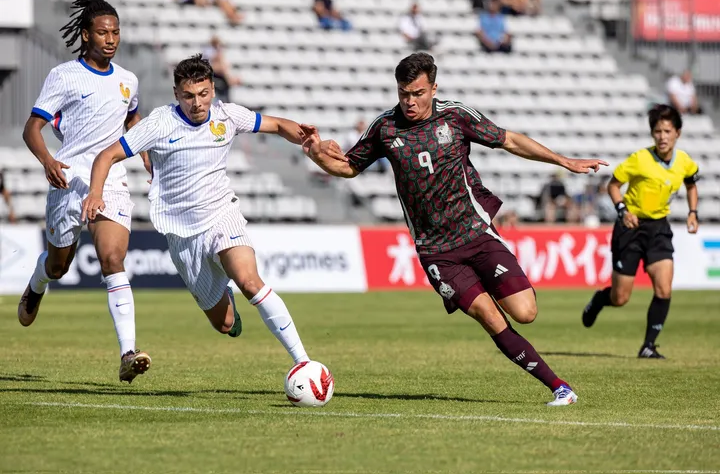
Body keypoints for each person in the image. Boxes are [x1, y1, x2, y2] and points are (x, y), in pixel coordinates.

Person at [303, 53, 608, 406]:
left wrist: (564, 161)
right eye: (404, 94)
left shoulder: (456, 116)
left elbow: (509, 140)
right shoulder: (385, 128)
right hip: (437, 251)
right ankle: (560, 387)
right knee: (488, 315)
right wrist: (315, 153)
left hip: (476, 233)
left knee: (525, 312)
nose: (410, 101)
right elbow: (348, 167)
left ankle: (494, 296)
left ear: (434, 87)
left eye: (418, 93)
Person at [81, 55, 344, 366]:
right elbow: (107, 155)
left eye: (203, 94)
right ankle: (226, 303)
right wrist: (95, 193)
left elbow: (276, 124)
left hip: (222, 215)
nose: (197, 103)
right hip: (182, 233)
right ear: (177, 93)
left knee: (250, 281)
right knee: (225, 324)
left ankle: (304, 362)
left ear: (213, 91)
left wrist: (310, 141)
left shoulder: (227, 116)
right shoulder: (158, 123)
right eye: (189, 96)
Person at [17, 0, 151, 384]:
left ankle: (128, 352)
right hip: (70, 177)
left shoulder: (128, 80)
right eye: (102, 32)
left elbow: (132, 115)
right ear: (86, 35)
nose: (111, 39)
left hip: (111, 178)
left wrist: (142, 148)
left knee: (112, 257)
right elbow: (32, 128)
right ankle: (38, 281)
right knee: (60, 265)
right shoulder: (63, 76)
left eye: (116, 32)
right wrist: (48, 162)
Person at [582, 105, 700, 359]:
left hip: (659, 228)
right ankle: (600, 300)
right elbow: (613, 186)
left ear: (677, 133)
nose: (662, 136)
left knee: (664, 289)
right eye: (657, 131)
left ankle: (648, 346)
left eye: (667, 131)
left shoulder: (685, 162)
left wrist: (693, 212)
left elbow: (691, 184)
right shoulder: (639, 159)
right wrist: (623, 210)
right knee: (621, 297)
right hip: (630, 228)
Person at [203, 35, 241, 102]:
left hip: (219, 76)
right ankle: (230, 79)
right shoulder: (209, 51)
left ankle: (229, 79)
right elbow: (211, 64)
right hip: (213, 74)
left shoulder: (216, 52)